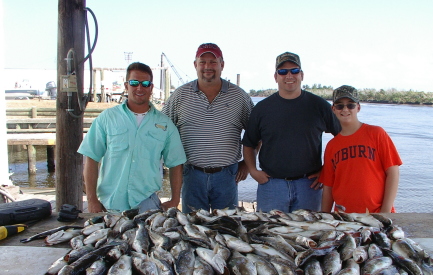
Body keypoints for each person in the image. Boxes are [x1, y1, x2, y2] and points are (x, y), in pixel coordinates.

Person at [78, 62, 186, 213]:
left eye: (145, 83)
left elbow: (175, 163)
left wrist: (175, 199)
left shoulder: (165, 124)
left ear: (151, 87)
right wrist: (92, 200)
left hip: (147, 205)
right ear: (126, 85)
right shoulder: (107, 118)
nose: (139, 88)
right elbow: (91, 158)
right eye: (134, 83)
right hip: (109, 203)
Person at [242, 52, 341, 213]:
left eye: (294, 71)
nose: (289, 75)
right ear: (276, 77)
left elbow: (342, 140)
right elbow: (249, 144)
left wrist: (326, 171)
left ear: (301, 75)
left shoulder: (319, 106)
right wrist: (253, 171)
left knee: (308, 234)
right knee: (269, 234)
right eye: (283, 72)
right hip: (271, 185)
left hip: (309, 187)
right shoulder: (262, 109)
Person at [162, 43, 254, 213]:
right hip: (191, 174)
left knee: (227, 226)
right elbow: (162, 131)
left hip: (227, 175)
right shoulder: (180, 95)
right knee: (193, 228)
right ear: (195, 64)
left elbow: (256, 133)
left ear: (222, 65)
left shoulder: (239, 96)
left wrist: (248, 165)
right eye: (202, 62)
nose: (207, 67)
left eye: (213, 62)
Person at [320, 85, 402, 213]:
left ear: (358, 107)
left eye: (350, 105)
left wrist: (385, 213)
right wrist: (324, 216)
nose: (345, 109)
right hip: (343, 218)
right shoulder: (332, 146)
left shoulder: (377, 134)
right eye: (340, 105)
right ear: (333, 109)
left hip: (377, 215)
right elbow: (328, 186)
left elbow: (393, 173)